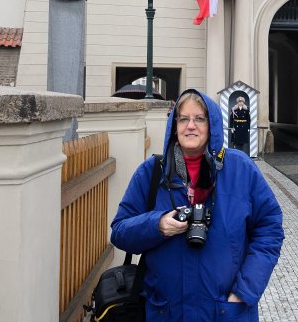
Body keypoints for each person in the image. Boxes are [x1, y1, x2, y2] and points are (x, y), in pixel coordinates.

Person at [111, 89, 284, 322]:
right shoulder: (151, 174)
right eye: (183, 119)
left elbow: (269, 230)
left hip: (225, 311)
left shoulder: (240, 169)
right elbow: (120, 232)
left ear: (211, 124)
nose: (190, 126)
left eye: (199, 119)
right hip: (166, 312)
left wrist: (244, 292)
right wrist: (157, 225)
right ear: (174, 125)